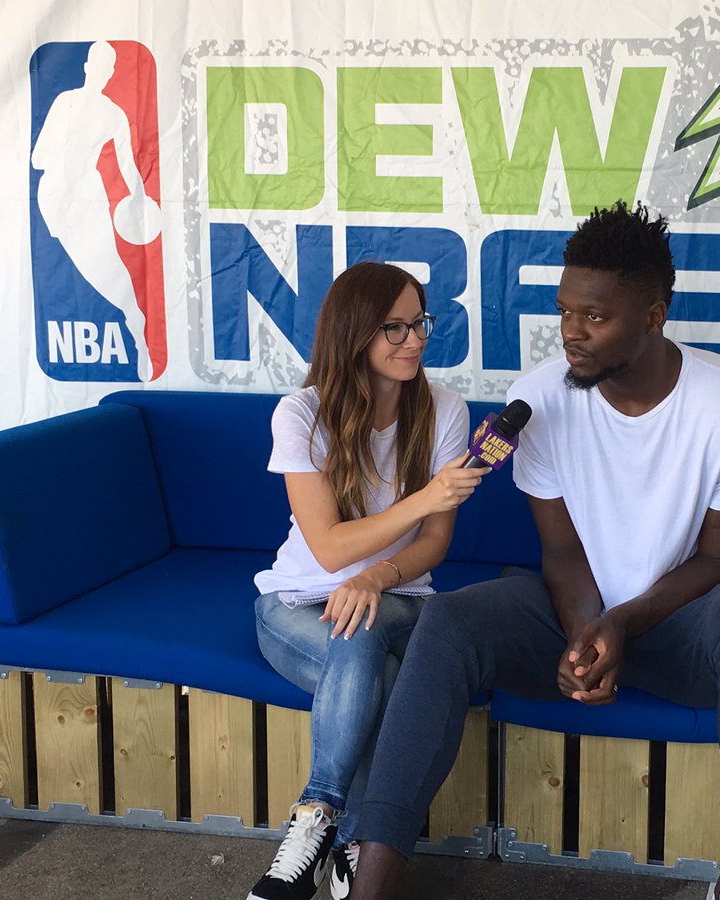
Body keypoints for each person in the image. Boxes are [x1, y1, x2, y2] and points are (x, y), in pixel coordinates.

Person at [347, 203, 720, 900]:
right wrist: (587, 633)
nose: (572, 334)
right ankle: (372, 877)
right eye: (564, 313)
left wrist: (620, 625)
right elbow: (559, 550)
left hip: (690, 624)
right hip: (580, 612)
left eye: (595, 317)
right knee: (452, 620)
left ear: (654, 315)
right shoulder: (538, 400)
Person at [246, 261, 485, 900]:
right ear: (354, 333)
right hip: (295, 601)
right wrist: (425, 497)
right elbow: (327, 551)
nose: (414, 341)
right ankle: (353, 838)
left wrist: (377, 577)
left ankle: (313, 818)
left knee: (364, 617)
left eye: (419, 324)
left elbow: (435, 544)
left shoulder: (444, 410)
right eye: (394, 328)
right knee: (371, 665)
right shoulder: (301, 414)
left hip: (400, 597)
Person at [31, 40, 157, 381]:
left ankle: (137, 325)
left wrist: (141, 200)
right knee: (83, 270)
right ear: (88, 67)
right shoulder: (65, 102)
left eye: (108, 67)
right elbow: (37, 158)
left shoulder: (113, 114)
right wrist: (65, 154)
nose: (103, 72)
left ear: (111, 73)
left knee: (109, 269)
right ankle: (134, 319)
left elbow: (129, 165)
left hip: (88, 198)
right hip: (56, 198)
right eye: (99, 64)